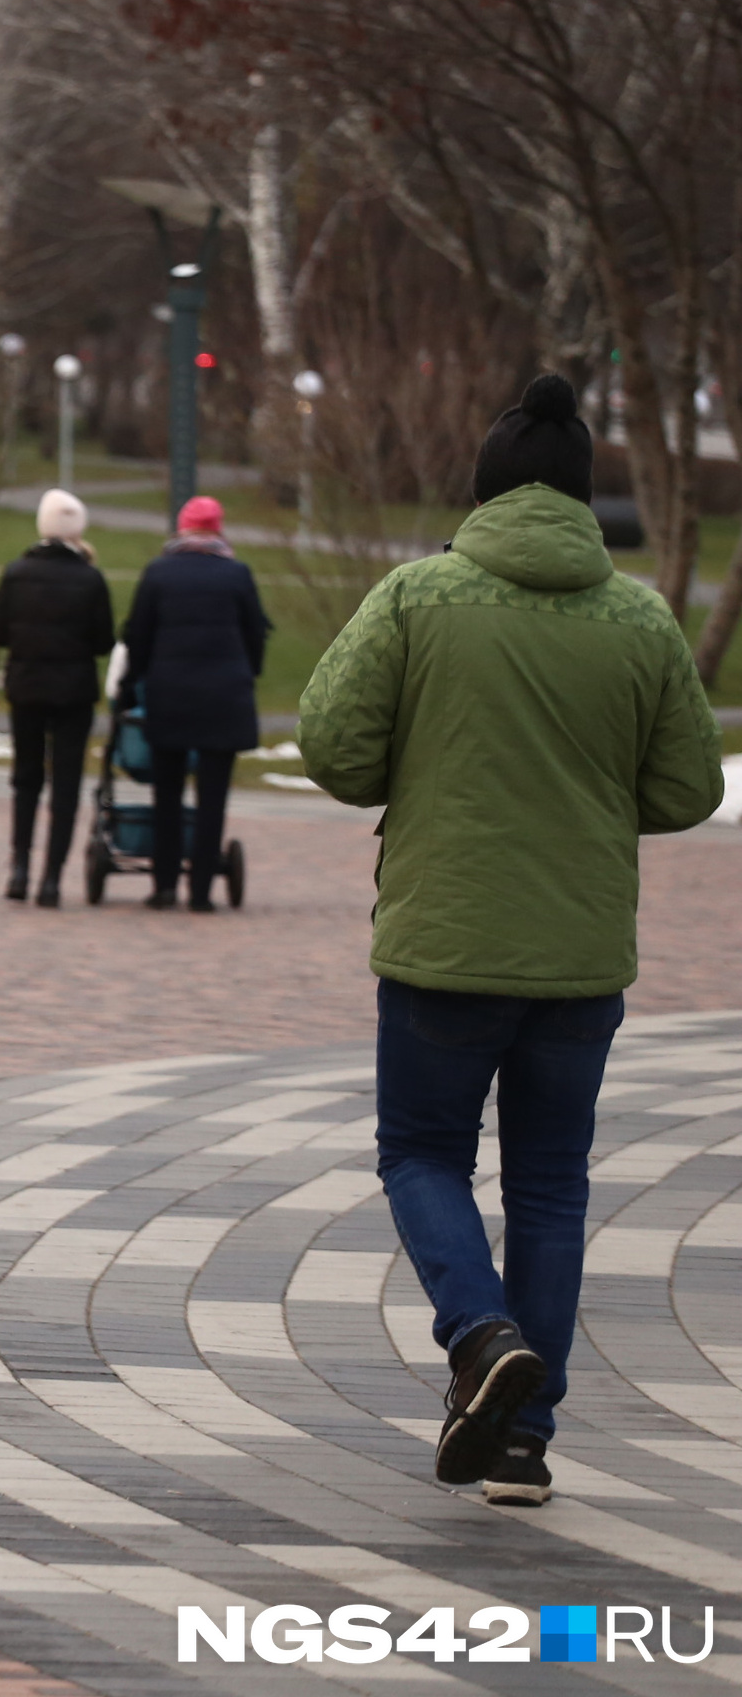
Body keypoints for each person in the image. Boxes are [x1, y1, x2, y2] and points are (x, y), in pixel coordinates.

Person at [301, 372, 722, 1505]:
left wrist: (434, 767)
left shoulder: (417, 596)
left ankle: (481, 1338)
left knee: (421, 1153)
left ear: (483, 490)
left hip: (445, 938)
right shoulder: (637, 615)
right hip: (580, 954)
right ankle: (525, 1441)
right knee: (551, 1184)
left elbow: (334, 747)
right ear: (586, 495)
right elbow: (687, 786)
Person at [117, 496, 271, 911]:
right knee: (213, 797)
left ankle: (165, 884)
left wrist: (131, 689)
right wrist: (247, 673)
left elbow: (138, 638)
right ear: (218, 530)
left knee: (166, 794)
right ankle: (201, 890)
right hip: (224, 698)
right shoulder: (237, 574)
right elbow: (256, 634)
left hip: (170, 695)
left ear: (181, 529)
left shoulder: (158, 573)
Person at [0, 488, 115, 906]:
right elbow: (102, 641)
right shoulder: (90, 579)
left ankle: (19, 867)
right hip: (73, 691)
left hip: (26, 686)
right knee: (65, 783)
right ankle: (52, 879)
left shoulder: (17, 572)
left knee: (26, 778)